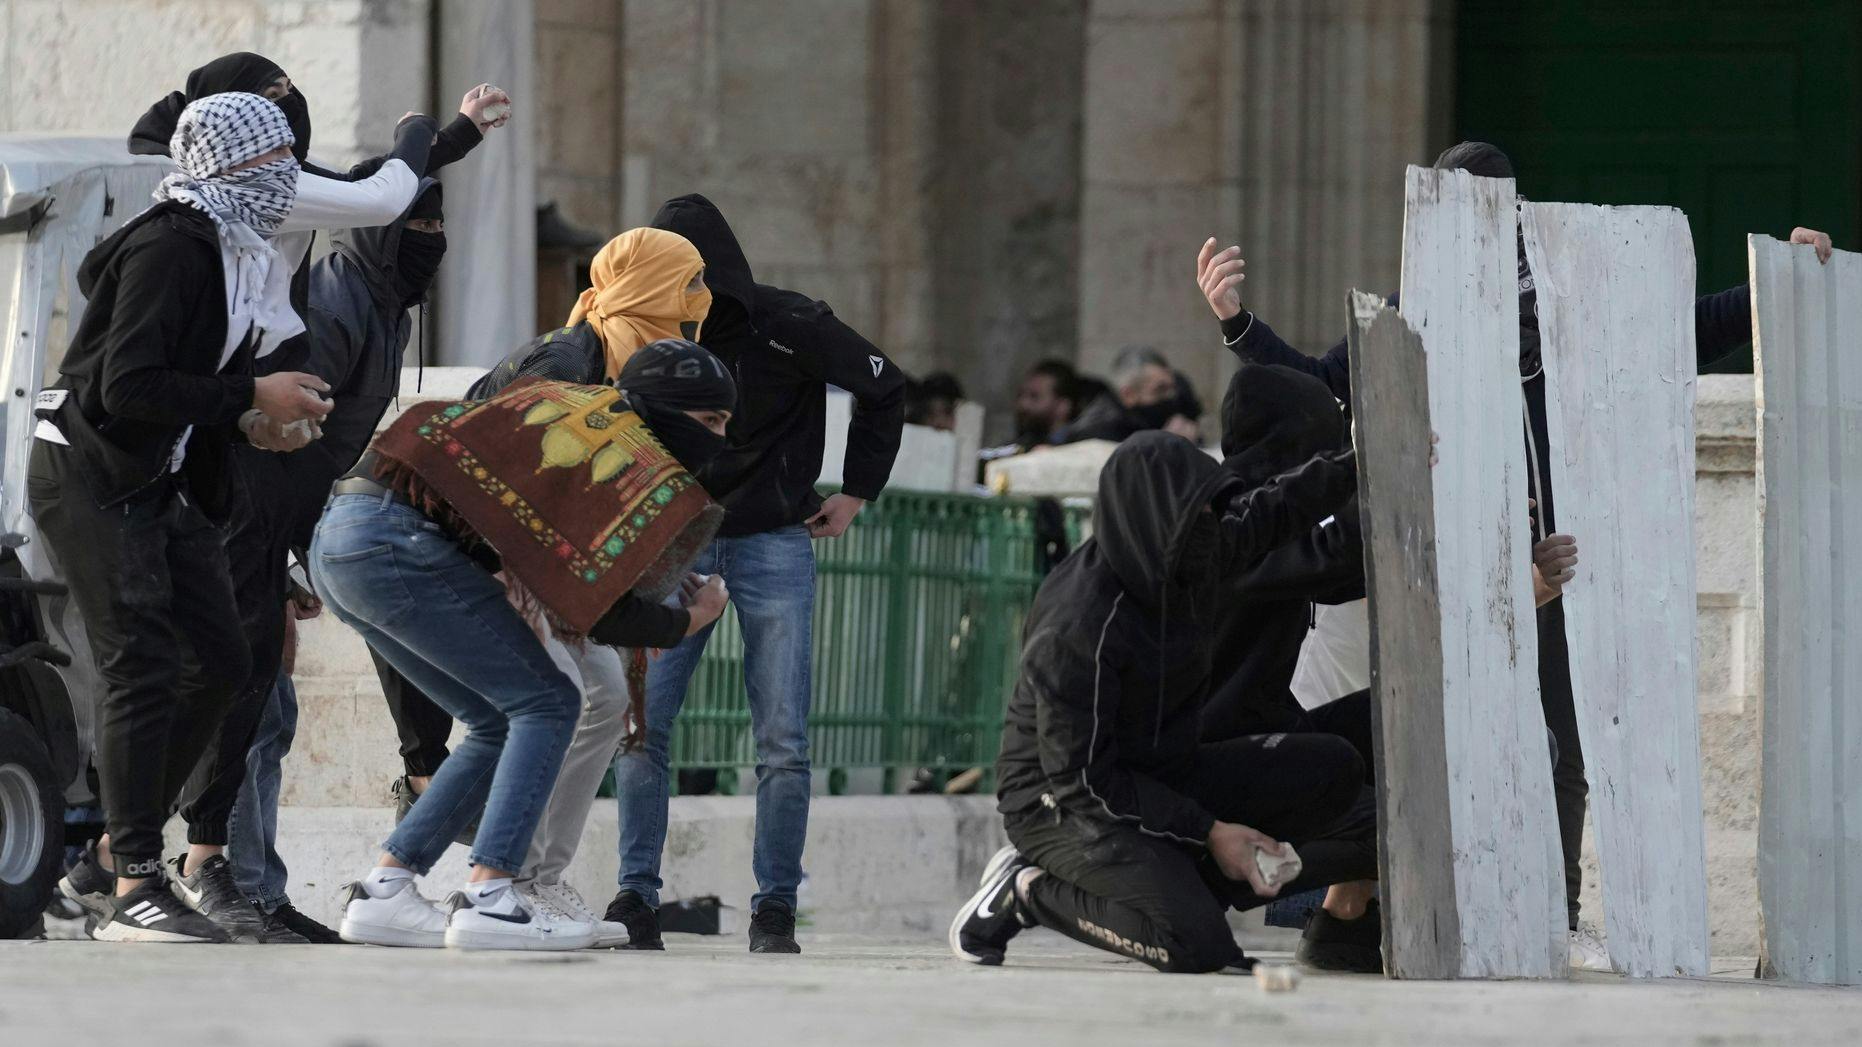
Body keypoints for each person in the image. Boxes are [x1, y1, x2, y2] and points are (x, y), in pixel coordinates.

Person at [1194, 138, 1714, 963]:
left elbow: (1681, 333)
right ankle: (1365, 909)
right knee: (1433, 736)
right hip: (1453, 551)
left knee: (1554, 739)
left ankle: (1558, 913)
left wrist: (1774, 294)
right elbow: (1325, 384)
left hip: (1551, 547)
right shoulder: (1415, 305)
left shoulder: (1565, 294)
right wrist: (1237, 324)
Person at [33, 93, 334, 943]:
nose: (283, 180)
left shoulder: (234, 252)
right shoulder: (174, 246)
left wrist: (250, 420)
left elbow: (181, 384)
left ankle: (103, 858)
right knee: (143, 664)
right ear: (225, 169)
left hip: (155, 474)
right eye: (268, 164)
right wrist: (249, 394)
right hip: (91, 471)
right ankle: (133, 886)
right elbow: (125, 385)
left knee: (227, 658)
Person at [320, 341, 733, 950]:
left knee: (493, 719)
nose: (722, 438)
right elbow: (598, 611)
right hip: (395, 544)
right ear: (665, 410)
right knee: (550, 702)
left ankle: (386, 890)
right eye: (712, 421)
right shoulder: (611, 444)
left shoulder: (574, 409)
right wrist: (690, 621)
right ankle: (492, 897)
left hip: (342, 542)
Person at [948, 432, 1375, 973]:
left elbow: (1275, 513)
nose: (1211, 531)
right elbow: (1085, 781)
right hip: (1059, 801)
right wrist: (1210, 832)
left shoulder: (1185, 556)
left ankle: (1180, 882)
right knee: (1196, 947)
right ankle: (1026, 889)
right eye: (1197, 516)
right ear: (1155, 519)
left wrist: (1363, 458)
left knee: (1331, 768)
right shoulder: (1081, 627)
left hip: (1162, 771)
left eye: (1211, 513)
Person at [605, 193, 906, 954]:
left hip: (773, 538)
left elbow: (885, 383)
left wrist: (856, 491)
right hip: (675, 541)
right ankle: (635, 897)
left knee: (782, 737)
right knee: (641, 726)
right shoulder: (648, 334)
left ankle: (775, 906)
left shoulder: (790, 323)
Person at [369, 227, 715, 870]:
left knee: (598, 701)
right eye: (688, 283)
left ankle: (529, 877)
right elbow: (509, 483)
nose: (701, 300)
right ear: (648, 287)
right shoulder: (567, 362)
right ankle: (503, 878)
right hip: (467, 554)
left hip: (521, 559)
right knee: (561, 701)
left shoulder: (638, 365)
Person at [1051, 345, 1195, 445]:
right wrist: (1167, 444)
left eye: (1171, 388)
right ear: (1128, 394)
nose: (1170, 397)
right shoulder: (1100, 430)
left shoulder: (1152, 420)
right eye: (1160, 390)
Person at [1011, 359, 1080, 448]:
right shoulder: (1021, 444)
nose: (1023, 404)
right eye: (1020, 395)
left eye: (1035, 397)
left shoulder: (1078, 448)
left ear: (1063, 405)